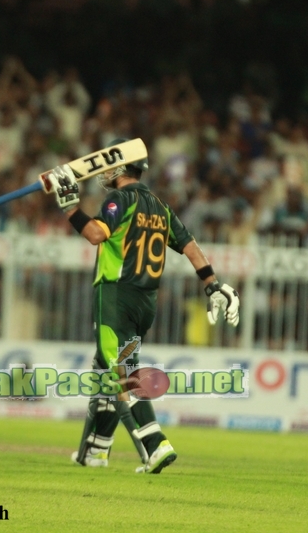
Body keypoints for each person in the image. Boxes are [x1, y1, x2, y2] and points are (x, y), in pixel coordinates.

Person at [47, 139, 239, 474]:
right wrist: (212, 284)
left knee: (119, 374)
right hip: (145, 303)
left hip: (116, 297)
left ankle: (155, 445)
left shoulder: (119, 199)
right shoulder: (160, 206)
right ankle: (95, 450)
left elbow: (95, 234)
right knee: (105, 370)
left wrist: (70, 207)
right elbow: (190, 246)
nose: (105, 174)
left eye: (110, 167)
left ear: (121, 168)